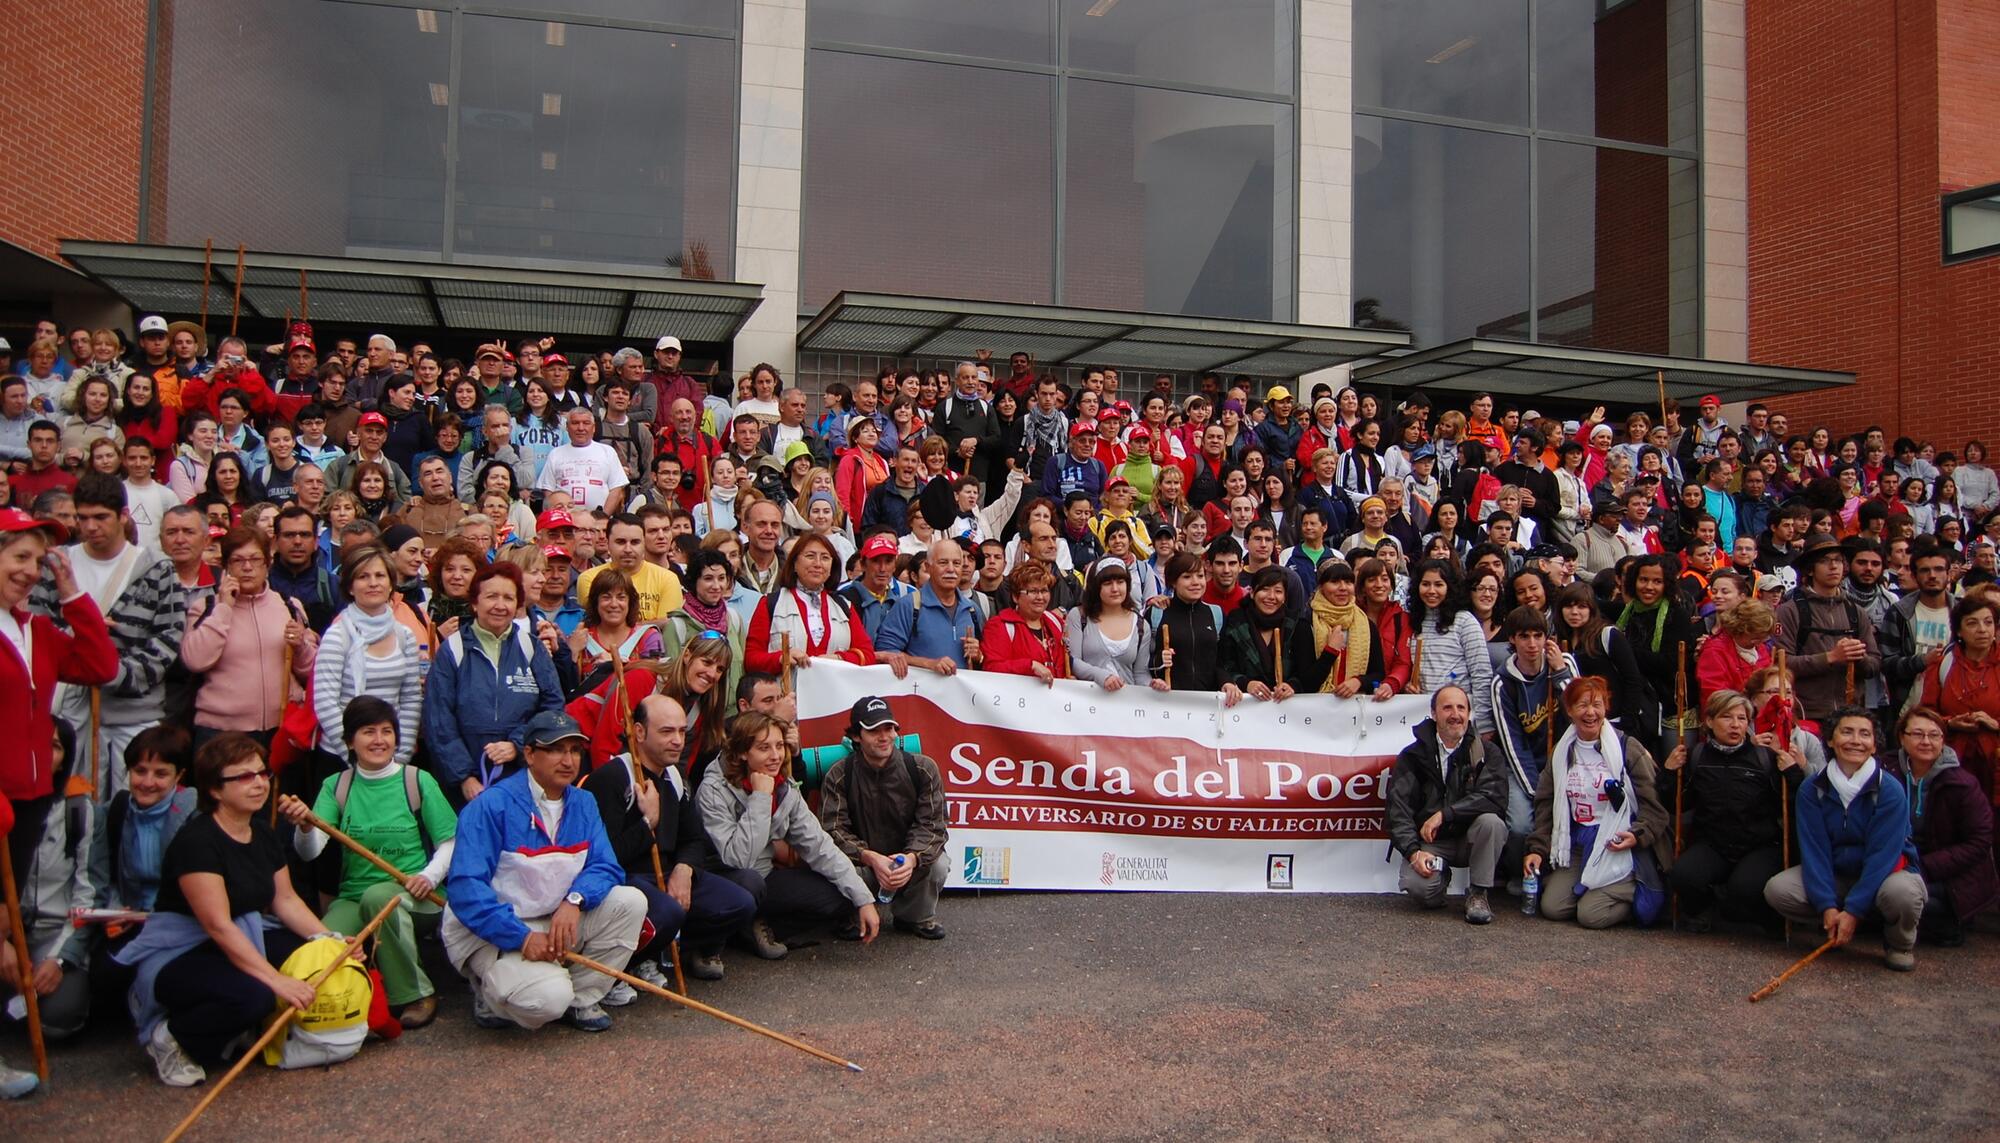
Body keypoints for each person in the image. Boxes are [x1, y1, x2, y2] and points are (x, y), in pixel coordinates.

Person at [111, 734, 342, 1086]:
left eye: (262, 773)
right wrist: (275, 978)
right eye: (244, 777)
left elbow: (286, 900)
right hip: (183, 950)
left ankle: (244, 1028)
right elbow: (218, 925)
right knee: (256, 996)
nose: (259, 783)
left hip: (243, 931)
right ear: (215, 790)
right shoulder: (197, 842)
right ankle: (172, 1037)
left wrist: (330, 941)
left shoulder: (261, 832)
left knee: (313, 957)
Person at [443, 711, 647, 1031]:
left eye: (575, 750)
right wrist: (521, 937)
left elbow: (606, 866)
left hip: (553, 916)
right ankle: (491, 991)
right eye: (555, 750)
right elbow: (466, 889)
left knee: (631, 902)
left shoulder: (584, 802)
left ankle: (577, 999)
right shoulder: (491, 805)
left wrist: (575, 900)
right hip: (497, 928)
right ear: (529, 754)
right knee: (546, 1000)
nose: (568, 760)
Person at [278, 696, 457, 1029]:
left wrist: (429, 877)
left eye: (386, 731)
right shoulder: (337, 786)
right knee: (324, 943)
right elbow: (310, 851)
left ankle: (415, 994)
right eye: (368, 732)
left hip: (415, 896)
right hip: (353, 896)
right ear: (350, 741)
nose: (379, 740)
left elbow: (450, 841)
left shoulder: (416, 780)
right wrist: (304, 827)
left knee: (379, 898)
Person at [581, 693, 758, 984]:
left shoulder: (673, 777)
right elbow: (606, 855)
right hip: (626, 881)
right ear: (639, 732)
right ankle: (619, 966)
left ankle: (656, 949)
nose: (677, 740)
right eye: (666, 732)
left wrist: (684, 869)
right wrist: (647, 823)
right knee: (667, 913)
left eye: (681, 731)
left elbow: (693, 838)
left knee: (740, 903)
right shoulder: (613, 777)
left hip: (665, 874)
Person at [30, 472, 186, 797]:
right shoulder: (57, 564)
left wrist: (112, 673)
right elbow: (38, 628)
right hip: (68, 711)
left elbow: (168, 638)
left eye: (100, 517)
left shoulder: (156, 568)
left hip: (134, 712)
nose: (90, 527)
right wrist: (80, 639)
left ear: (123, 516)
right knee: (71, 806)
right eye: (83, 517)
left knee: (129, 805)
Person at [698, 711, 881, 953]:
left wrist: (864, 900)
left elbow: (819, 846)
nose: (776, 756)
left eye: (779, 746)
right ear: (742, 752)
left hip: (765, 876)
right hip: (724, 878)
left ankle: (757, 927)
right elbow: (738, 860)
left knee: (846, 893)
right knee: (750, 881)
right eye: (764, 748)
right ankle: (721, 935)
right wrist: (761, 797)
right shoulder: (713, 790)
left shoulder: (784, 786)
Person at [1764, 707, 1928, 971]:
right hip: (1839, 873)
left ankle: (1898, 943)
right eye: (1847, 732)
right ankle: (1833, 923)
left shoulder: (1889, 790)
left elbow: (1882, 857)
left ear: (1874, 745)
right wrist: (1827, 906)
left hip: (1885, 874)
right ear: (1831, 740)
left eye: (1865, 734)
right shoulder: (1812, 789)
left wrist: (1854, 910)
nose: (1855, 740)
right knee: (1779, 890)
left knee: (1903, 895)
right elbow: (1815, 851)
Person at [1523, 677, 1671, 928]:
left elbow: (1654, 806)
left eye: (1597, 705)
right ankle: (1589, 887)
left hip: (1619, 842)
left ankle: (1632, 888)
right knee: (1552, 907)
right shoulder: (1561, 752)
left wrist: (1637, 835)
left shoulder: (1627, 748)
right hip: (1578, 841)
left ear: (1606, 708)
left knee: (1590, 915)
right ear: (1569, 710)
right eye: (1582, 705)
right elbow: (1546, 803)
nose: (1590, 713)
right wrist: (1538, 849)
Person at [1660, 690, 1806, 932]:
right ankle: (1703, 909)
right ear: (1710, 721)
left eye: (1742, 718)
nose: (1735, 725)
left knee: (1745, 888)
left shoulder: (1764, 758)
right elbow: (1677, 804)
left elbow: (1793, 802)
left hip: (1759, 844)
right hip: (1713, 844)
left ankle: (1760, 916)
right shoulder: (1697, 756)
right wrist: (1669, 772)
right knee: (1684, 876)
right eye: (1727, 717)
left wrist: (1793, 773)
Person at [426, 562, 566, 802]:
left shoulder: (531, 648)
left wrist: (517, 745)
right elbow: (439, 720)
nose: (500, 605)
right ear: (474, 602)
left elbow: (552, 707)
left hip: (522, 774)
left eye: (508, 598)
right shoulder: (453, 649)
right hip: (465, 782)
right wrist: (464, 777)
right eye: (491, 596)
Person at [817, 697, 951, 939]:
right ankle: (852, 915)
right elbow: (832, 831)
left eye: (889, 729)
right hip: (864, 865)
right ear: (856, 736)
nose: (884, 737)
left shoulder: (923, 768)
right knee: (832, 866)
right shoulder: (839, 774)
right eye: (873, 731)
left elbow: (933, 826)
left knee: (938, 863)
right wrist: (869, 857)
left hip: (906, 863)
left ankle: (914, 917)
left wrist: (911, 859)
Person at [0, 717, 97, 1042]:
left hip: (53, 935)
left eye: (54, 746)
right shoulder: (4, 807)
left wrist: (59, 959)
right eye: (36, 744)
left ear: (65, 758)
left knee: (59, 1020)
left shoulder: (78, 810)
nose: (44, 753)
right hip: (6, 935)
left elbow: (88, 895)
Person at [180, 527, 316, 747]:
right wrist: (224, 608)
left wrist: (301, 646)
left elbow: (310, 671)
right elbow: (195, 660)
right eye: (238, 560)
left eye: (255, 559)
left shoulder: (289, 606)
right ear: (226, 566)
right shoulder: (206, 608)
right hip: (221, 732)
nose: (247, 567)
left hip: (280, 726)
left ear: (267, 564)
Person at [1385, 685, 1509, 923]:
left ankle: (1478, 894)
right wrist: (1413, 853)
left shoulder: (1487, 752)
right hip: (1433, 843)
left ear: (1469, 714)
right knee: (1419, 889)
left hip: (1471, 839)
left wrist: (1445, 814)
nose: (1455, 714)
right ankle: (1440, 877)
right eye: (1447, 708)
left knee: (1492, 823)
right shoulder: (1412, 756)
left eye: (1461, 708)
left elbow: (1494, 798)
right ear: (1434, 714)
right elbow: (1397, 811)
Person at [1884, 706, 1995, 946]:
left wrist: (1923, 867)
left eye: (1934, 735)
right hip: (1894, 861)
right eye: (1917, 734)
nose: (1926, 741)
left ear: (1943, 740)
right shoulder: (1884, 772)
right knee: (1883, 891)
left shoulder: (1962, 783)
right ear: (1902, 737)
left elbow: (1979, 840)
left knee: (1910, 897)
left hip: (1945, 873)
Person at [1490, 606, 1580, 852]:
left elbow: (1582, 714)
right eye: (1524, 636)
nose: (1532, 644)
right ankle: (1520, 869)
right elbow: (1513, 746)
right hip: (1524, 767)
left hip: (1567, 760)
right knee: (1521, 825)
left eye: (1538, 636)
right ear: (1512, 639)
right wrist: (1539, 792)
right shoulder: (1502, 683)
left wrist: (1560, 673)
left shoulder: (1564, 663)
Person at [1776, 533, 1881, 722]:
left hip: (1849, 715)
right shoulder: (1789, 611)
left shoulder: (1856, 612)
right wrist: (1830, 657)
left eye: (1838, 560)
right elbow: (1781, 664)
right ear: (1810, 569)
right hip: (1805, 716)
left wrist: (1859, 657)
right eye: (1824, 561)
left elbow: (1874, 665)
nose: (1833, 566)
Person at [744, 533, 876, 675]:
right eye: (810, 556)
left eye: (825, 558)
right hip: (786, 689)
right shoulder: (771, 603)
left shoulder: (844, 607)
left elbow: (867, 655)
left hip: (833, 689)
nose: (818, 564)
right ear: (794, 563)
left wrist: (839, 659)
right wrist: (781, 658)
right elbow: (751, 660)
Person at [1917, 594, 2000, 801]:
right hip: (1953, 760)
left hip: (1995, 762)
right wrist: (1950, 722)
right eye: (1972, 623)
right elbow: (1925, 714)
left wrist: (1995, 724)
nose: (1982, 629)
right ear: (1959, 631)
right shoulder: (1943, 664)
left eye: (1988, 622)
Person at [876, 538, 985, 677]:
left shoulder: (972, 610)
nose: (951, 569)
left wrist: (978, 656)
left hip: (959, 691)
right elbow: (885, 653)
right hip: (918, 689)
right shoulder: (909, 605)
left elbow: (984, 662)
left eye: (957, 563)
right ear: (928, 567)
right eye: (943, 563)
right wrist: (928, 664)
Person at [1068, 558, 1163, 692]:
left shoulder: (1141, 625)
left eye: (1120, 582)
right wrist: (1101, 676)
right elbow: (1073, 661)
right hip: (1087, 699)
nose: (1115, 589)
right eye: (1107, 583)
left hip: (1126, 701)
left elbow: (1140, 673)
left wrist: (1152, 685)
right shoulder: (1079, 616)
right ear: (1096, 587)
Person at [1222, 565, 1313, 701]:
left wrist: (1292, 685)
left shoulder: (1297, 624)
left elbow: (1306, 673)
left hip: (1286, 706)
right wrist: (1246, 684)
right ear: (1252, 593)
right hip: (1245, 705)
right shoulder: (1236, 621)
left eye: (1278, 591)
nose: (1271, 597)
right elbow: (1224, 666)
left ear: (1284, 597)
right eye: (1265, 589)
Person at [982, 562, 1069, 682]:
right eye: (1033, 591)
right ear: (1015, 597)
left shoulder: (1057, 622)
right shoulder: (1000, 626)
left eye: (1044, 591)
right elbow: (992, 668)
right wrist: (1030, 666)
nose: (1040, 597)